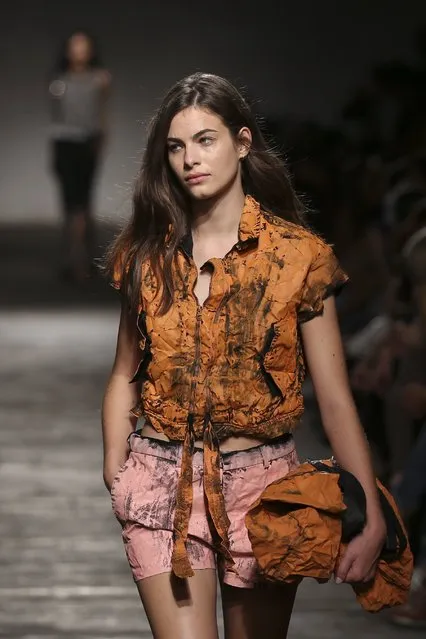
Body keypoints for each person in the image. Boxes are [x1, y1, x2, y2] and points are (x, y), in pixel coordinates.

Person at [102, 73, 387, 639]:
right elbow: (123, 374)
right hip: (163, 478)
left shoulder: (298, 258)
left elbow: (334, 399)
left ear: (243, 142)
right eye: (176, 146)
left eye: (206, 140)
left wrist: (371, 511)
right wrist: (117, 464)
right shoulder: (148, 256)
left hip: (264, 491)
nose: (190, 160)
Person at [49, 30, 111, 282]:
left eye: (84, 46)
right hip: (64, 143)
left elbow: (102, 116)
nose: (79, 52)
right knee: (70, 203)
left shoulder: (100, 79)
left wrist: (99, 143)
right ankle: (76, 258)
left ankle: (80, 260)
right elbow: (58, 117)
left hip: (88, 143)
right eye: (75, 47)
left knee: (83, 203)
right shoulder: (58, 81)